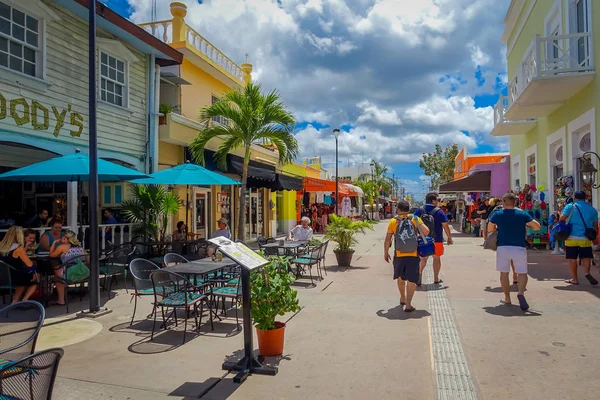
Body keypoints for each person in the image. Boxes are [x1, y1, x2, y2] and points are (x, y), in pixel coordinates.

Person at [487, 192, 541, 311]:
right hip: (519, 247)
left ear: (504, 202)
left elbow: (490, 229)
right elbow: (537, 226)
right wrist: (526, 225)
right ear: (515, 202)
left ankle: (507, 298)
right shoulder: (522, 214)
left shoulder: (498, 214)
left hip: (503, 247)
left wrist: (498, 227)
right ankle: (521, 292)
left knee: (504, 273)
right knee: (522, 272)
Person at [384, 200, 429, 312]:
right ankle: (408, 304)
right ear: (409, 209)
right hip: (413, 254)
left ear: (398, 210)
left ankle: (402, 298)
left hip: (399, 254)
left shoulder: (393, 221)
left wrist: (386, 252)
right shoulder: (415, 219)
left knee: (400, 277)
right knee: (412, 280)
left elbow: (387, 239)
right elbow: (427, 232)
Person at [560, 191, 599, 286]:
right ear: (585, 198)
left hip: (571, 237)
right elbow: (595, 226)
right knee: (586, 257)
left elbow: (562, 218)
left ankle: (574, 279)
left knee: (572, 258)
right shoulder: (592, 209)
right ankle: (587, 273)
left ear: (575, 197)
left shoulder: (570, 206)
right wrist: (595, 236)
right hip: (585, 237)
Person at [414, 192, 453, 285]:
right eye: (437, 200)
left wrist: (416, 235)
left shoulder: (419, 210)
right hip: (437, 239)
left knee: (423, 259)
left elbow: (413, 223)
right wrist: (449, 237)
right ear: (433, 201)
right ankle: (436, 278)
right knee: (436, 258)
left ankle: (418, 274)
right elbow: (445, 225)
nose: (438, 202)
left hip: (423, 239)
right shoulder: (439, 211)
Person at [0, 226, 38, 304]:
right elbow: (29, 264)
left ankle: (15, 300)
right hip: (15, 276)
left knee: (24, 276)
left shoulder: (1, 245)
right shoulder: (18, 248)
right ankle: (22, 300)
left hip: (3, 276)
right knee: (36, 278)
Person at [49, 230, 87, 306]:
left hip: (70, 274)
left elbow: (51, 255)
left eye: (62, 237)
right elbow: (87, 260)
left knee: (57, 275)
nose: (61, 239)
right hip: (83, 273)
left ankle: (61, 300)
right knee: (60, 273)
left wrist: (54, 243)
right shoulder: (80, 248)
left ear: (66, 239)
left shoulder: (62, 247)